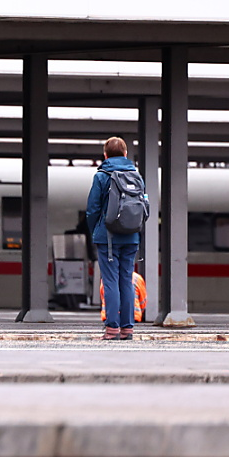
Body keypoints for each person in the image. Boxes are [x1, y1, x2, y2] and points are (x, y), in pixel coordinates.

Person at [86, 137, 143, 340]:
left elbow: (92, 209)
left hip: (108, 238)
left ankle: (112, 329)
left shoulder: (102, 176)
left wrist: (97, 230)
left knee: (110, 281)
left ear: (105, 155)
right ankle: (127, 329)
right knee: (126, 281)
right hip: (131, 236)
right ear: (126, 154)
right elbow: (143, 207)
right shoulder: (136, 175)